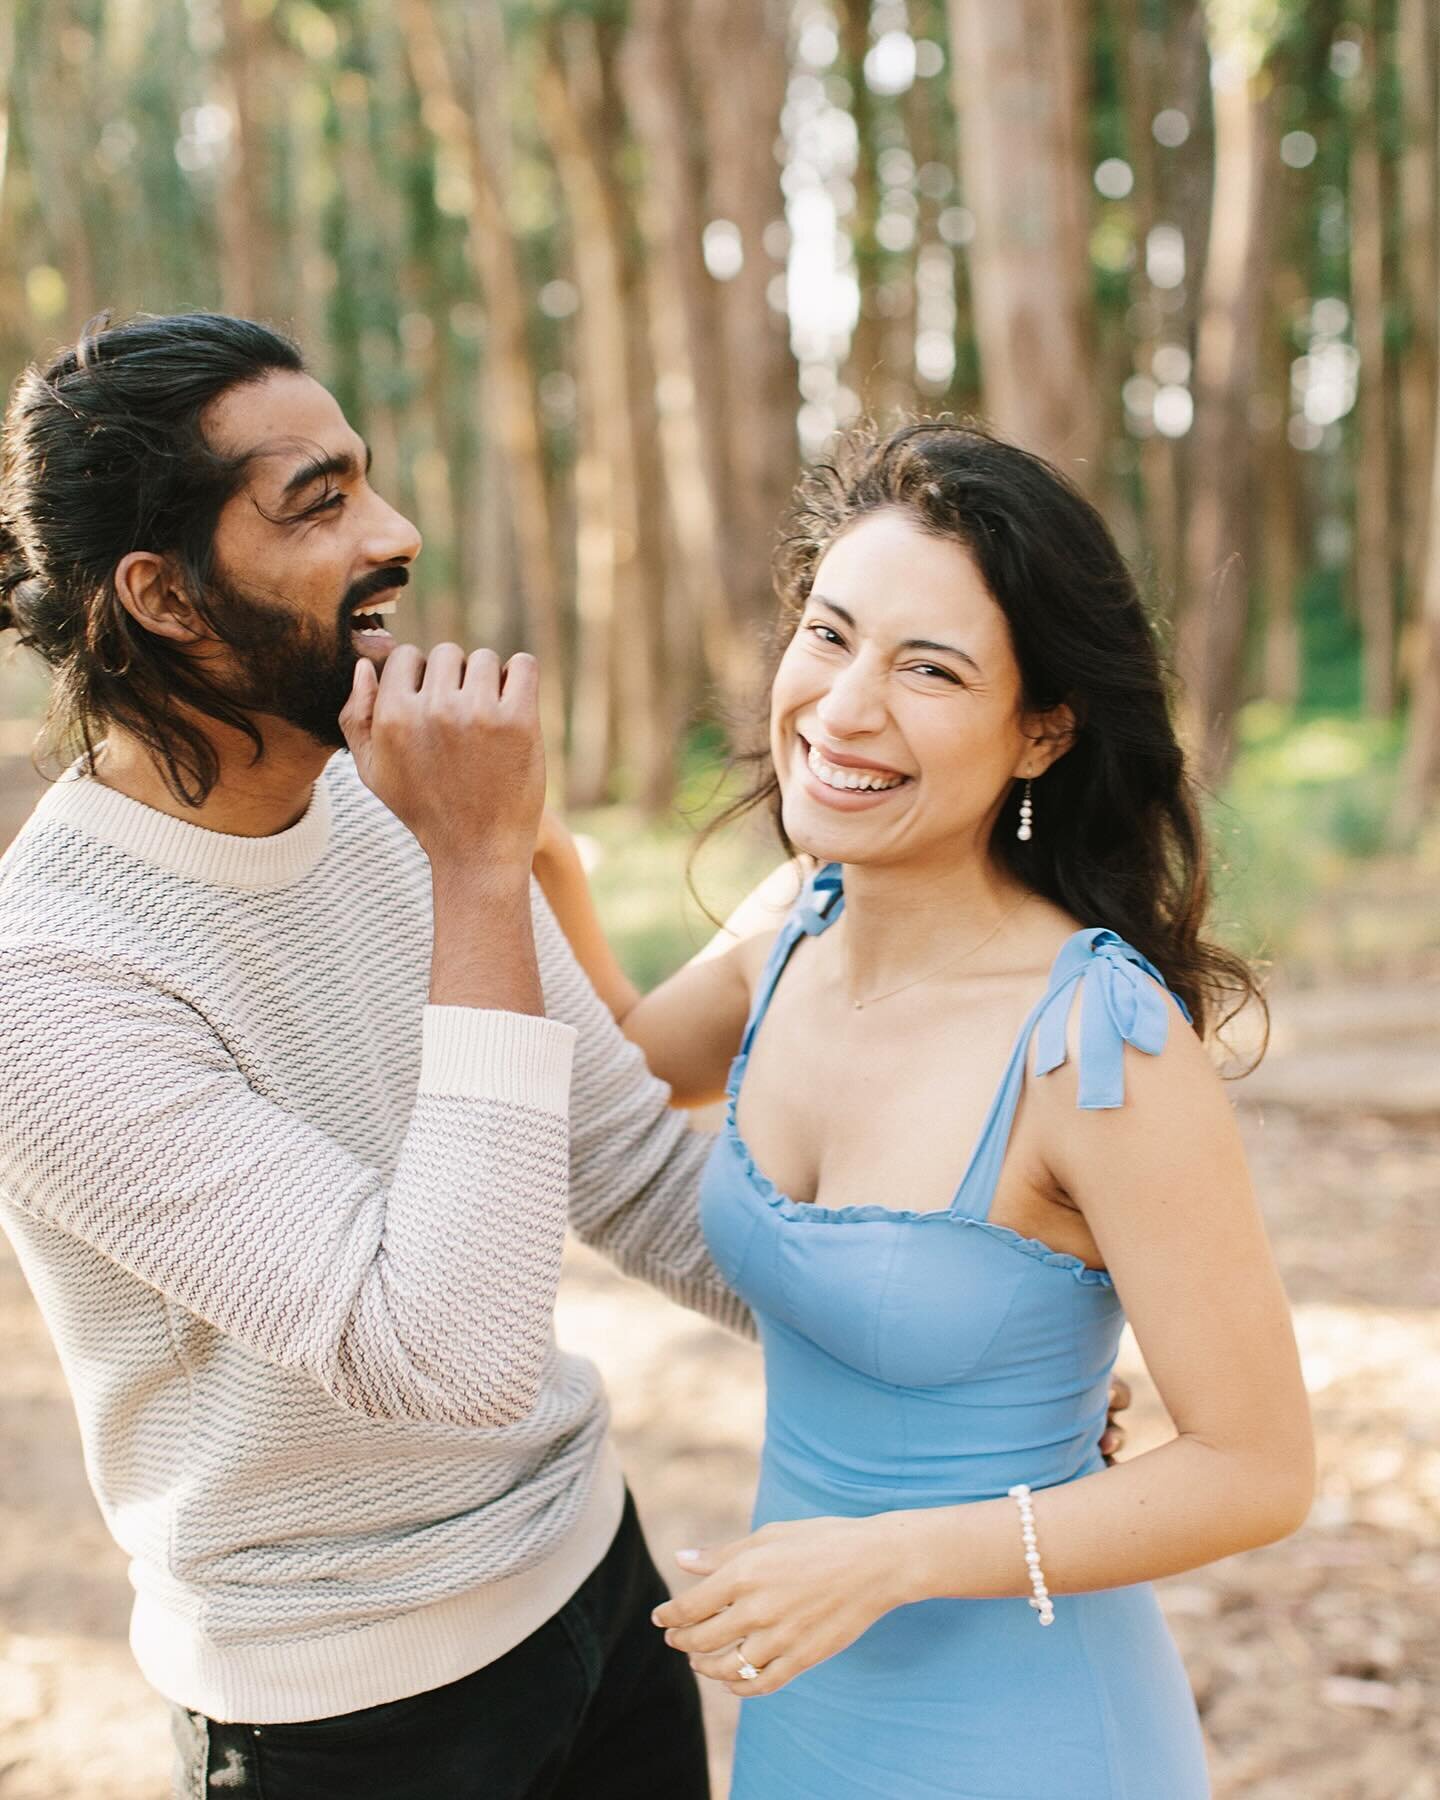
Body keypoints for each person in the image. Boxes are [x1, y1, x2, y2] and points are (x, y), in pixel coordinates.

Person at [0, 311, 759, 1800]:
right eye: (320, 502)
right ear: (164, 594)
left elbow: (635, 1168)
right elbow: (451, 1356)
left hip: (596, 1589)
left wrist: (952, 1349)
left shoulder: (379, 813)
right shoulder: (50, 986)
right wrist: (483, 868)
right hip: (343, 1723)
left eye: (371, 482)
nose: (395, 535)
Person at [534, 420, 1316, 1799]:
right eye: (829, 635)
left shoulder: (1096, 1039)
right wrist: (524, 846)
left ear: (1041, 734)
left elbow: (1259, 1469)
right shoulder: (799, 918)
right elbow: (640, 1062)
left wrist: (894, 1556)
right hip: (809, 1711)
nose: (841, 709)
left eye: (929, 669)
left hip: (1031, 1733)